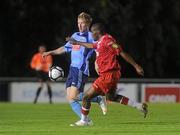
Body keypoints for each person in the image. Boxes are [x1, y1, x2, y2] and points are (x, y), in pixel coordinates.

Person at [67, 23, 148, 126]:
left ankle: (84, 121)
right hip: (112, 74)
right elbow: (92, 45)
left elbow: (120, 50)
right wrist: (77, 42)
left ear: (97, 32)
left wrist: (136, 66)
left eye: (93, 32)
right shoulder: (101, 41)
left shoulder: (107, 41)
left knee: (86, 97)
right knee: (111, 98)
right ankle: (139, 106)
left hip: (108, 75)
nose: (91, 35)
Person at [42, 12, 107, 125]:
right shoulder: (75, 35)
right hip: (72, 69)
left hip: (81, 69)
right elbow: (65, 48)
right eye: (78, 23)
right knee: (70, 99)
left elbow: (99, 50)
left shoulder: (92, 37)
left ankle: (98, 99)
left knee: (74, 96)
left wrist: (97, 62)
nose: (80, 25)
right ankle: (86, 120)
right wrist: (50, 52)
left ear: (88, 24)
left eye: (82, 23)